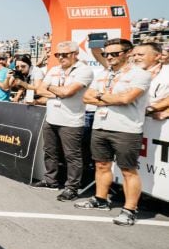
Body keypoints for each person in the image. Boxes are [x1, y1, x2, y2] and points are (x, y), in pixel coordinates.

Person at [77, 38, 151, 226]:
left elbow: (126, 98)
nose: (109, 57)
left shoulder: (139, 75)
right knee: (102, 165)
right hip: (101, 125)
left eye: (114, 54)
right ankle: (100, 199)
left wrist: (101, 96)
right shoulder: (103, 73)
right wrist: (110, 98)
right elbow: (86, 97)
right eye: (106, 54)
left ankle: (130, 209)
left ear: (128, 53)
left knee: (128, 170)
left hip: (126, 128)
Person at [33, 41, 94, 201]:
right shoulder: (54, 69)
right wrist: (58, 92)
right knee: (50, 151)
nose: (60, 57)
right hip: (52, 117)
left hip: (71, 120)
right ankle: (50, 180)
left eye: (64, 54)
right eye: (57, 54)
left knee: (72, 156)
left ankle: (71, 187)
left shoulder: (84, 70)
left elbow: (68, 92)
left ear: (75, 54)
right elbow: (39, 89)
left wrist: (52, 89)